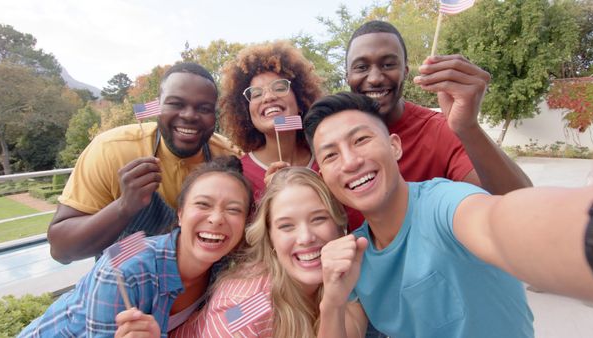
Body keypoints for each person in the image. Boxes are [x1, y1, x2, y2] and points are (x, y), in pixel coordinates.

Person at [303, 92, 593, 338]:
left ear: (395, 146)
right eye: (331, 155)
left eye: (361, 140)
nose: (349, 162)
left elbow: (497, 224)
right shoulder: (354, 255)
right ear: (324, 177)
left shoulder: (443, 204)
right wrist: (332, 299)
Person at [19, 156, 253, 337]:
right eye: (203, 204)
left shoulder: (224, 271)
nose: (216, 218)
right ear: (180, 214)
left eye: (233, 210)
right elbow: (111, 261)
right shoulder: (124, 271)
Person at [116, 167, 359, 338]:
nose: (306, 238)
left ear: (339, 225)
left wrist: (332, 305)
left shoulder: (350, 274)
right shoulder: (247, 305)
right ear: (270, 236)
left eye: (318, 219)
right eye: (286, 226)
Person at [343, 20, 532, 229]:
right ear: (347, 76)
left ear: (406, 71)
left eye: (388, 64)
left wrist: (468, 127)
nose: (376, 78)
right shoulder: (331, 142)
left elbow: (519, 206)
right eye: (361, 67)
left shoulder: (439, 130)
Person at [47, 63, 240, 264]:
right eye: (176, 104)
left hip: (207, 290)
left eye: (204, 108)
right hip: (129, 291)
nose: (189, 115)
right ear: (158, 106)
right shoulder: (111, 150)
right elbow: (61, 250)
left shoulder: (230, 158)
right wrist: (124, 206)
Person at [219, 41, 323, 200]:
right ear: (246, 112)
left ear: (301, 101)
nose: (268, 97)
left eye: (280, 88)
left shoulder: (326, 160)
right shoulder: (239, 175)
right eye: (256, 93)